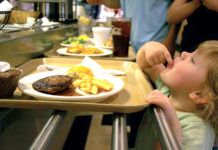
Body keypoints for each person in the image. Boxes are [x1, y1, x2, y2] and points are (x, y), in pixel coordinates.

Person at [136, 40, 218, 149]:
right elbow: (147, 65)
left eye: (192, 60)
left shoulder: (197, 131)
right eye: (192, 52)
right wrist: (150, 47)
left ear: (200, 95)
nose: (184, 53)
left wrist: (171, 121)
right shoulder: (168, 91)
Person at [87, 0, 173, 53]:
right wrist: (101, 0)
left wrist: (169, 43)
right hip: (132, 47)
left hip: (157, 46)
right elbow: (119, 2)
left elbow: (177, 11)